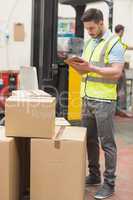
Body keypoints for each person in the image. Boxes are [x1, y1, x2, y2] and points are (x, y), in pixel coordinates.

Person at [66, 8, 125, 199]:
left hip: (104, 101)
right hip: (87, 98)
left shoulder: (114, 43)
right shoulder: (90, 42)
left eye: (91, 28)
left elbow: (116, 71)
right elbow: (88, 69)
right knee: (90, 140)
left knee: (107, 143)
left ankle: (109, 184)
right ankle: (94, 175)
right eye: (87, 29)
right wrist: (78, 66)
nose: (89, 32)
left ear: (101, 23)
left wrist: (90, 67)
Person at [115, 24, 133, 117]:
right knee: (120, 89)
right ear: (121, 31)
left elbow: (126, 47)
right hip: (118, 69)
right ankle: (118, 109)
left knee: (117, 89)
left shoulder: (114, 40)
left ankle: (116, 109)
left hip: (115, 68)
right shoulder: (117, 41)